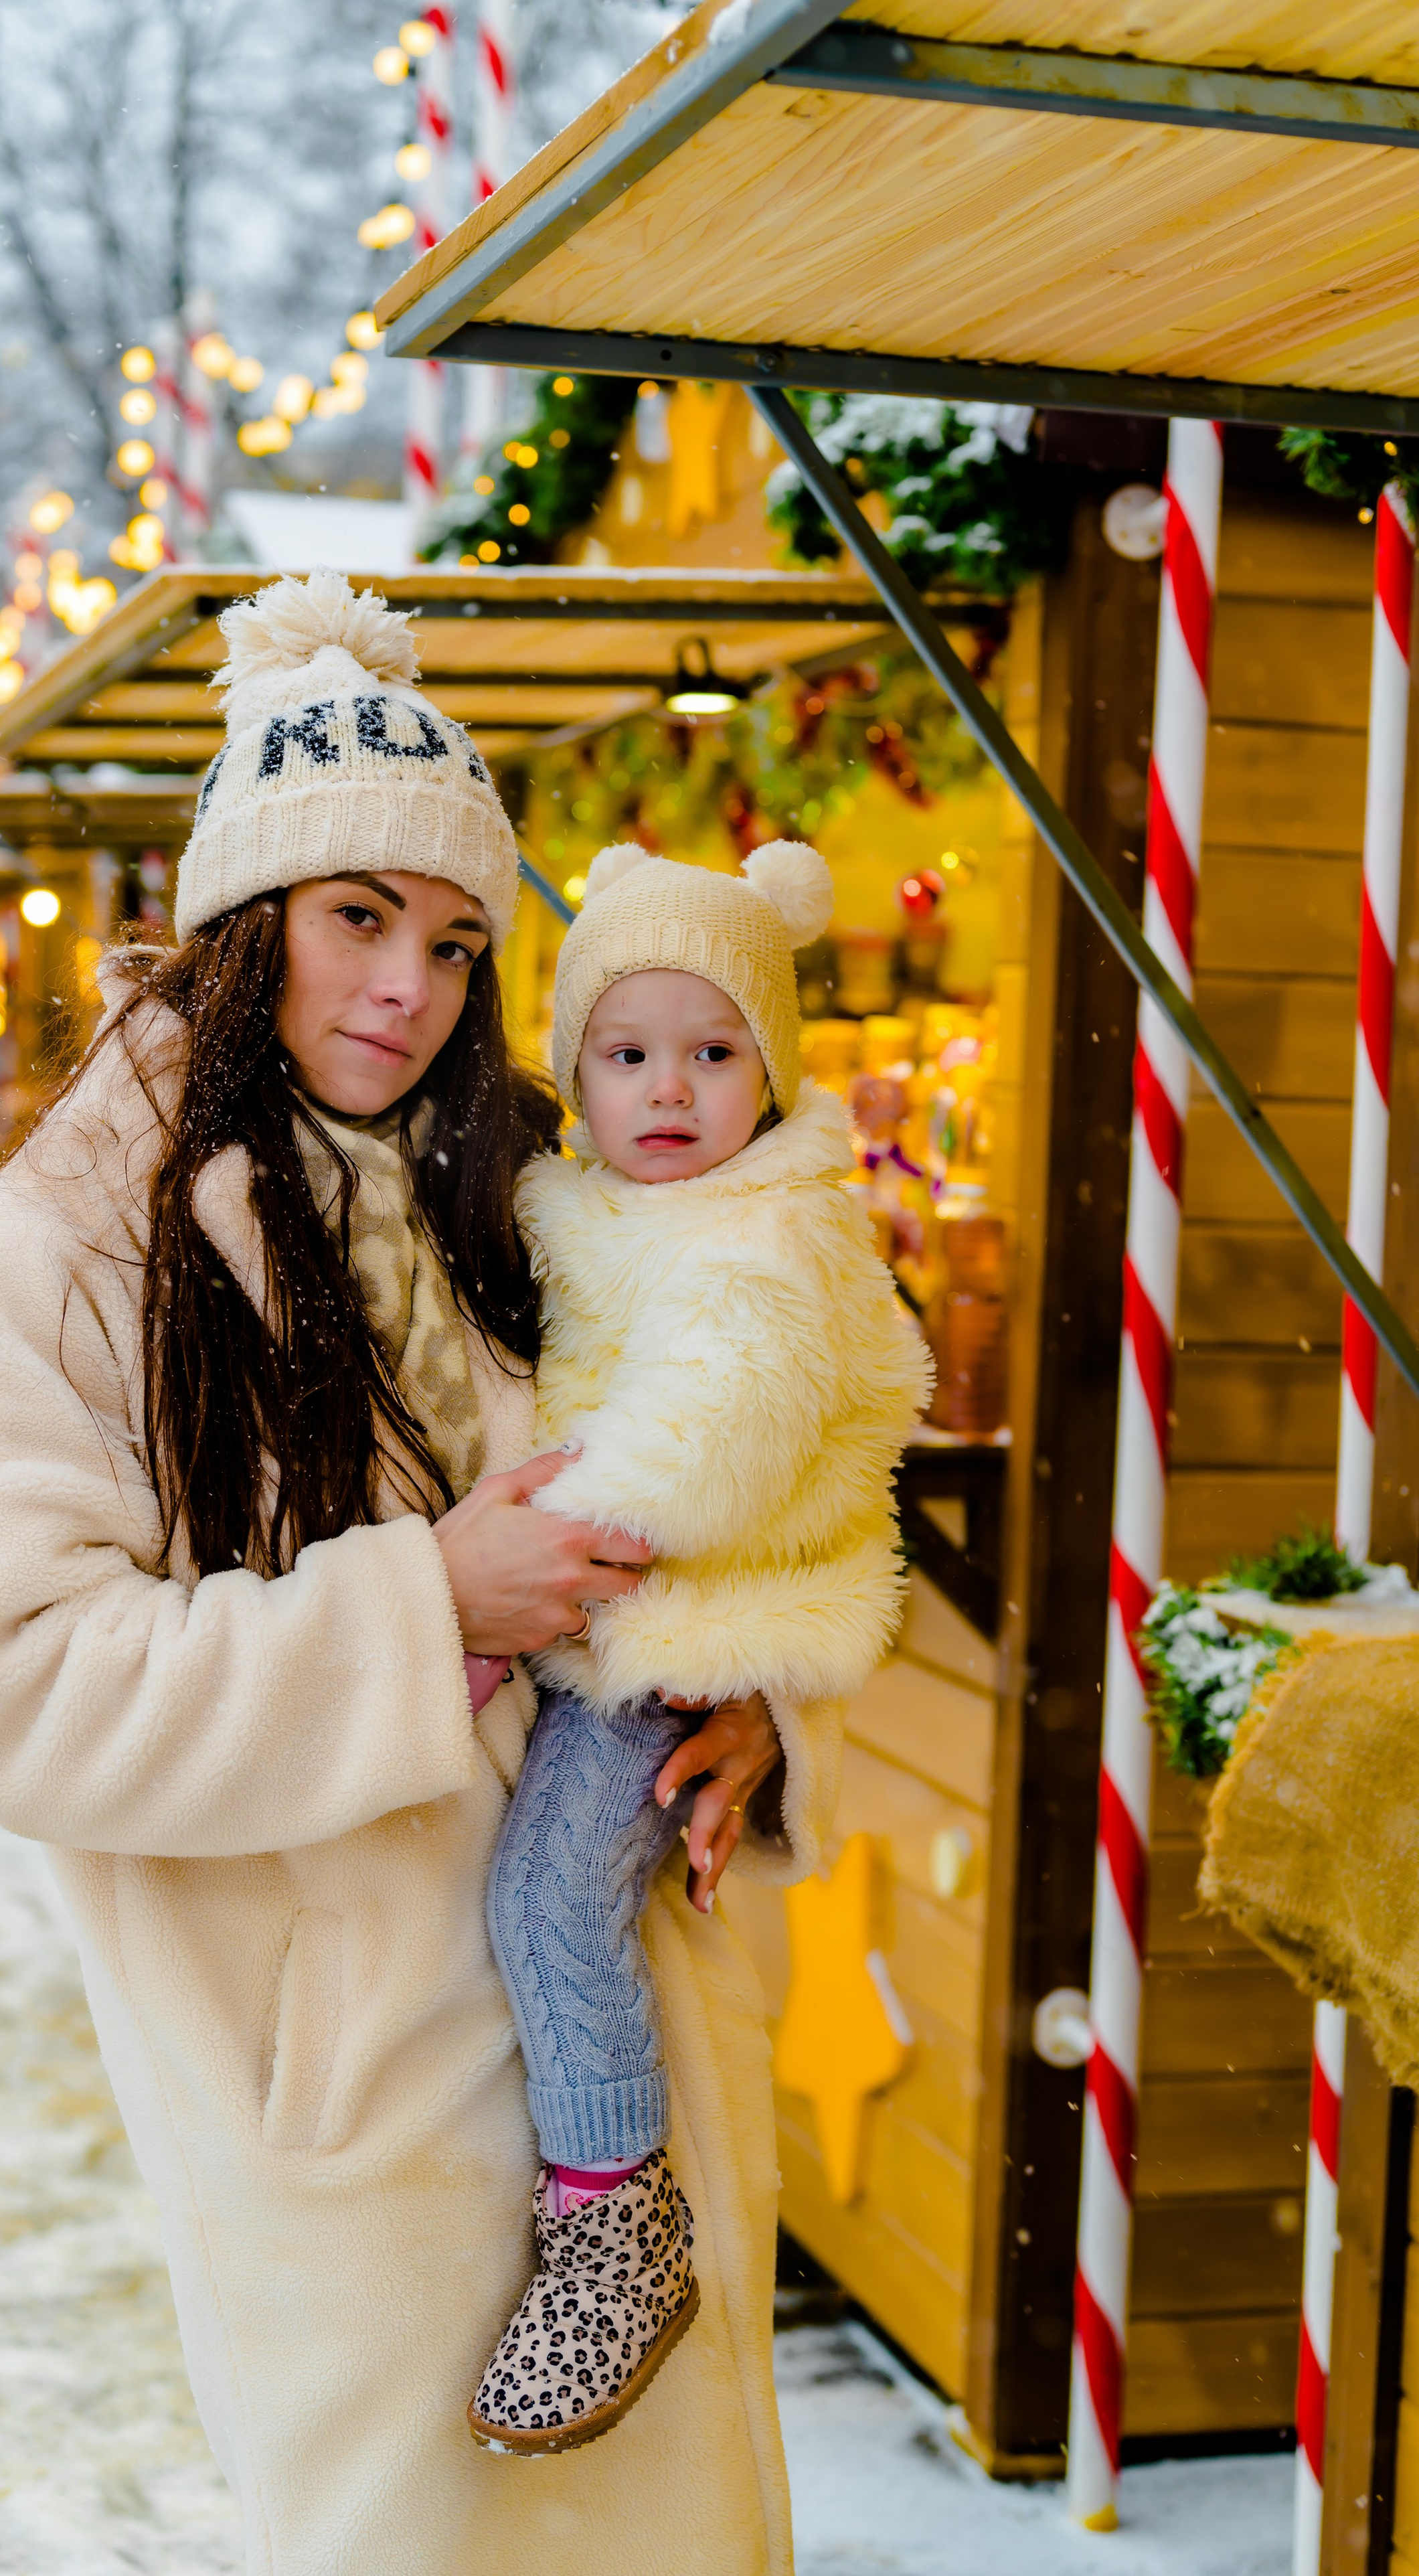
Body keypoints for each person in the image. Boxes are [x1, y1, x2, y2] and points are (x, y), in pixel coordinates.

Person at [0, 572, 850, 2575]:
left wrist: (736, 1699)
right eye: (356, 917)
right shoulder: (61, 1251)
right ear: (245, 918)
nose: (405, 986)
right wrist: (426, 1607)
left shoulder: (512, 1192)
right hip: (357, 2138)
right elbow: (21, 1688)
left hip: (626, 2100)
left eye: (452, 939)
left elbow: (666, 1510)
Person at [471, 842, 928, 2451]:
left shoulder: (765, 1237)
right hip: (621, 1608)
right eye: (626, 1050)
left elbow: (704, 1450)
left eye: (713, 1051)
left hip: (667, 1629)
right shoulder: (593, 1207)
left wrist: (522, 1564)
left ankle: (612, 2207)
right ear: (574, 1067)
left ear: (773, 1068)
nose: (668, 1088)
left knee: (548, 1890)